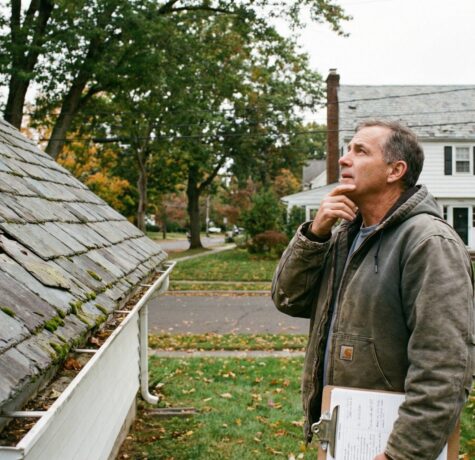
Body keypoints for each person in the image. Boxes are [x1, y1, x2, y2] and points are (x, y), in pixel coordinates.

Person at [272, 120, 474, 460]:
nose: (344, 159)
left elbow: (445, 366)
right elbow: (288, 298)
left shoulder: (428, 242)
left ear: (395, 170)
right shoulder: (343, 235)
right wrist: (315, 235)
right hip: (343, 432)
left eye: (360, 151)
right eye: (347, 149)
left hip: (390, 442)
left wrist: (402, 453)